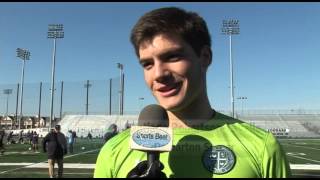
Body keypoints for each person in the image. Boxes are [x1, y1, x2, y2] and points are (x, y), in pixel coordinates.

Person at [94, 7, 291, 178]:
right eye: (147, 64)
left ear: (204, 57)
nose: (158, 74)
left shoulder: (262, 147)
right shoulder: (113, 151)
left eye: (172, 57)